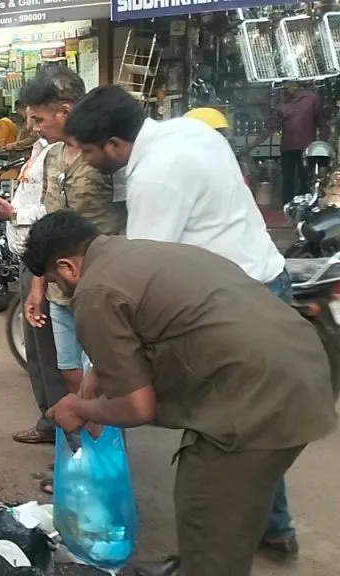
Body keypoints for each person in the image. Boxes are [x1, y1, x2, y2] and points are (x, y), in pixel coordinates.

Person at [25, 211, 336, 576]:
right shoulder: (138, 254)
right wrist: (97, 377)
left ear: (66, 266)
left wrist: (79, 408)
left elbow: (137, 407)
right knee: (235, 509)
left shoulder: (95, 290)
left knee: (205, 511)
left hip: (256, 397)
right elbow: (153, 328)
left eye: (53, 280)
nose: (59, 290)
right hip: (306, 368)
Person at [63, 84, 299, 561]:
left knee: (221, 431)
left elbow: (135, 280)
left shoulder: (155, 177)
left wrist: (97, 372)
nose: (86, 161)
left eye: (88, 151)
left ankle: (214, 546)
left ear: (114, 145)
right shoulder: (192, 131)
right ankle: (273, 528)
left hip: (230, 311)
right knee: (258, 423)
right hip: (265, 282)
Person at [19, 67, 125, 405]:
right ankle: (80, 436)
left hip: (101, 290)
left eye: (39, 119)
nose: (34, 128)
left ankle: (106, 436)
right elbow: (48, 225)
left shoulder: (107, 155)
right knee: (69, 372)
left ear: (64, 112)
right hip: (60, 294)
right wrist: (38, 287)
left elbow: (129, 222)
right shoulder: (50, 157)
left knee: (104, 379)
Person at [0, 131, 64, 448]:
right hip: (28, 255)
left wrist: (15, 214)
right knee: (35, 349)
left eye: (38, 116)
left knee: (49, 350)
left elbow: (53, 210)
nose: (32, 123)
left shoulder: (61, 153)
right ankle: (49, 420)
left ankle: (61, 426)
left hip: (43, 258)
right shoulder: (39, 148)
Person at [247, 81, 329, 204]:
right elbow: (270, 127)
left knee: (306, 179)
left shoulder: (312, 99)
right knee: (287, 179)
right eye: (283, 86)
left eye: (288, 85)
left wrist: (321, 147)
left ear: (296, 84)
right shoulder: (282, 103)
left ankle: (305, 205)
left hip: (307, 148)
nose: (285, 89)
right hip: (287, 147)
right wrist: (252, 145)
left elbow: (322, 124)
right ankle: (287, 206)